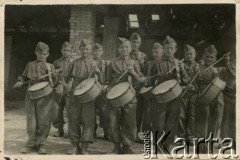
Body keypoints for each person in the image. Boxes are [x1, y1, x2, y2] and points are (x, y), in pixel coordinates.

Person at [13, 42, 61, 154]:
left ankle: (41, 144)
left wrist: (56, 78)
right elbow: (23, 76)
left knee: (44, 121)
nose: (42, 56)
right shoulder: (30, 65)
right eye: (40, 53)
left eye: (44, 54)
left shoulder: (51, 67)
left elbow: (56, 81)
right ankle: (30, 144)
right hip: (31, 95)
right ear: (36, 53)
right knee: (31, 121)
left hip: (45, 95)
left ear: (47, 54)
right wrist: (20, 81)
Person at [57, 39, 101, 155]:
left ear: (90, 50)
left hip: (88, 95)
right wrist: (63, 84)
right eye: (82, 49)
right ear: (79, 50)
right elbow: (67, 77)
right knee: (74, 120)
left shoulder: (94, 63)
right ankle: (74, 146)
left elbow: (98, 79)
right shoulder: (74, 63)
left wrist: (97, 73)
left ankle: (85, 147)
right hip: (75, 94)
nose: (85, 51)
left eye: (87, 49)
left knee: (88, 120)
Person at [149, 35, 191, 153]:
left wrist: (182, 69)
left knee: (171, 123)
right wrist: (156, 79)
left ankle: (167, 146)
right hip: (160, 98)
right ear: (163, 49)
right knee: (158, 123)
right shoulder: (156, 63)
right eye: (166, 48)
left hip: (175, 97)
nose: (169, 51)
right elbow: (149, 81)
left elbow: (187, 80)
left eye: (171, 48)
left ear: (175, 50)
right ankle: (157, 147)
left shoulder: (179, 63)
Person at [105, 37, 146, 154]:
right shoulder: (112, 63)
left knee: (130, 122)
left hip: (129, 97)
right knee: (114, 122)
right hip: (115, 96)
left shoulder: (134, 63)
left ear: (130, 48)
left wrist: (133, 72)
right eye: (122, 47)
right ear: (118, 49)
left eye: (127, 46)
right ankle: (116, 146)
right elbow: (107, 79)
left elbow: (141, 80)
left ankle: (127, 147)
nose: (124, 49)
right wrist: (107, 86)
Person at [195, 44, 230, 152]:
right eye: (207, 56)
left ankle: (210, 145)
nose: (209, 59)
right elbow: (194, 79)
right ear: (203, 57)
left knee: (215, 121)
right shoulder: (198, 68)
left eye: (212, 57)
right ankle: (202, 146)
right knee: (203, 121)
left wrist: (227, 61)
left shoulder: (218, 69)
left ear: (215, 58)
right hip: (204, 98)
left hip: (217, 98)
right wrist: (199, 69)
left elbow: (229, 73)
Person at [139, 42, 164, 133]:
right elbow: (143, 75)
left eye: (157, 52)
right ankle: (147, 138)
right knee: (147, 116)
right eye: (153, 52)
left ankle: (158, 138)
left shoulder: (165, 64)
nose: (154, 54)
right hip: (149, 93)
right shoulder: (149, 64)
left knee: (159, 118)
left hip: (161, 94)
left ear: (162, 52)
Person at [178, 45, 199, 144]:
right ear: (184, 55)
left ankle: (190, 137)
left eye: (191, 54)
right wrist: (181, 69)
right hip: (183, 93)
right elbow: (179, 80)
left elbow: (199, 80)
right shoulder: (180, 66)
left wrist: (196, 87)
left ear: (195, 55)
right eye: (187, 54)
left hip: (194, 94)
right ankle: (181, 137)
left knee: (192, 115)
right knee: (181, 115)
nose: (189, 56)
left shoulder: (198, 66)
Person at [129, 32, 148, 142]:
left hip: (139, 87)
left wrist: (142, 65)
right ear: (130, 42)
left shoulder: (143, 56)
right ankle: (128, 134)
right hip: (129, 85)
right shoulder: (127, 53)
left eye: (137, 42)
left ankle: (135, 134)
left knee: (138, 111)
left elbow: (145, 71)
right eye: (133, 42)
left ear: (140, 43)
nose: (135, 44)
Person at [52, 41, 73, 137]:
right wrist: (58, 81)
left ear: (71, 51)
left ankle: (71, 131)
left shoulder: (74, 62)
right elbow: (53, 77)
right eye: (64, 50)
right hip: (59, 89)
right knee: (57, 110)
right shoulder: (56, 62)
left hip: (70, 89)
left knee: (70, 110)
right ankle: (60, 130)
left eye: (68, 50)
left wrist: (69, 84)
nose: (66, 52)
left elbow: (74, 75)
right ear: (61, 50)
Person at [92, 43, 110, 140]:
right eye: (95, 50)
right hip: (91, 91)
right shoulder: (89, 62)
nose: (97, 53)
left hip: (101, 91)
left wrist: (105, 85)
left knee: (104, 112)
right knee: (91, 112)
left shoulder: (105, 63)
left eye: (99, 51)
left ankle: (106, 132)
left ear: (102, 52)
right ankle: (92, 131)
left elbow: (107, 77)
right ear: (92, 52)